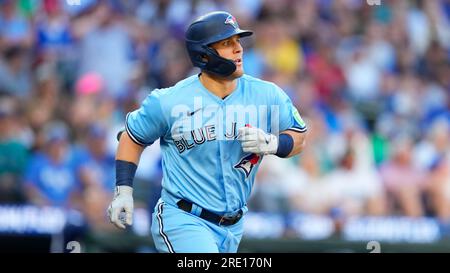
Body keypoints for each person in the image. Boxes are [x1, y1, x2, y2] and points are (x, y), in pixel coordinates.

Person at [107, 11, 307, 253]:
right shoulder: (170, 100)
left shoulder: (267, 94)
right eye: (227, 43)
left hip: (233, 226)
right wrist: (123, 191)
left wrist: (275, 144)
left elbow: (299, 136)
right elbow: (132, 136)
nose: (238, 49)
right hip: (182, 218)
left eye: (238, 41)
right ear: (204, 54)